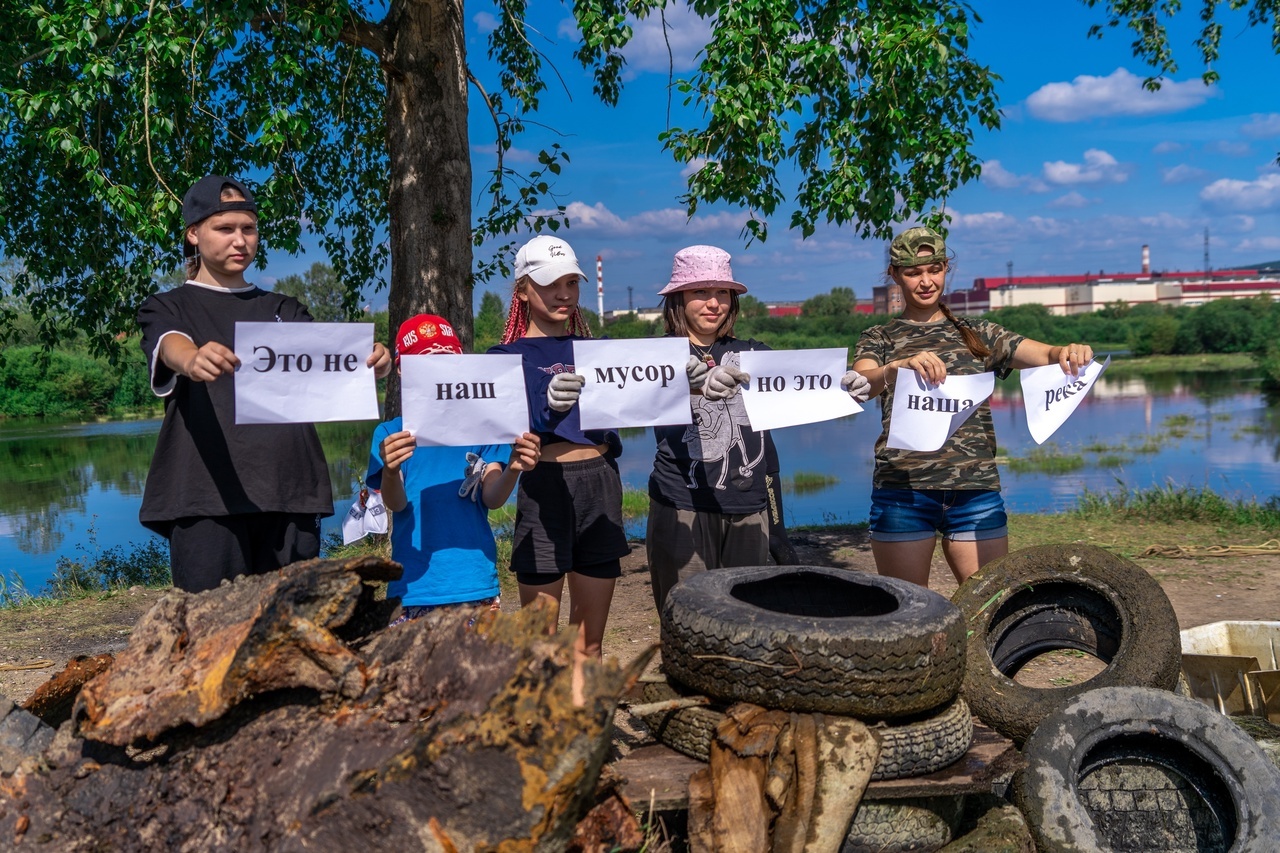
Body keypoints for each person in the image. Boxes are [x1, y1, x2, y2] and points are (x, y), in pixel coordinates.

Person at [137, 174, 392, 593]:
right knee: (209, 633)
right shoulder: (167, 306)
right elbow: (169, 345)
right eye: (225, 228)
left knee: (292, 629)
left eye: (248, 228)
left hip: (290, 492)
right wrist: (192, 358)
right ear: (193, 234)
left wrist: (370, 364)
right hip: (205, 497)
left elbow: (327, 365)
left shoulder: (284, 309)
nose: (240, 240)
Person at [852, 226, 1093, 587]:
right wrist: (894, 368)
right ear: (895, 275)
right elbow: (860, 383)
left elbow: (1044, 354)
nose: (926, 281)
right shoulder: (879, 337)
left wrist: (1068, 352)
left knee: (990, 606)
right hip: (903, 494)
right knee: (909, 613)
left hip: (975, 493)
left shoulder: (980, 333)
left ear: (946, 268)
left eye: (934, 269)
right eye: (914, 272)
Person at [646, 245, 870, 609]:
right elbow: (620, 398)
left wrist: (846, 387)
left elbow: (809, 384)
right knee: (684, 617)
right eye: (700, 292)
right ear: (678, 299)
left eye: (722, 293)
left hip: (749, 510)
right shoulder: (651, 359)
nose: (713, 303)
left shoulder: (756, 355)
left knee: (747, 623)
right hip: (680, 507)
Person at [486, 235, 628, 668]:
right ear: (522, 290)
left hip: (600, 487)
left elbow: (654, 387)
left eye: (571, 282)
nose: (564, 293)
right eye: (550, 283)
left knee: (589, 645)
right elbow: (500, 424)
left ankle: (586, 732)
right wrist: (545, 407)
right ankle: (545, 733)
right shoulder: (501, 358)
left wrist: (688, 377)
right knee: (542, 647)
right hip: (544, 489)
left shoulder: (600, 351)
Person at [367, 313, 540, 624]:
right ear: (402, 370)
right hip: (413, 587)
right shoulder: (390, 433)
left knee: (480, 673)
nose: (438, 372)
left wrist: (514, 468)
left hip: (475, 584)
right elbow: (396, 503)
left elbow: (492, 497)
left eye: (446, 362)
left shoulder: (484, 428)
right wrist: (391, 471)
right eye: (426, 364)